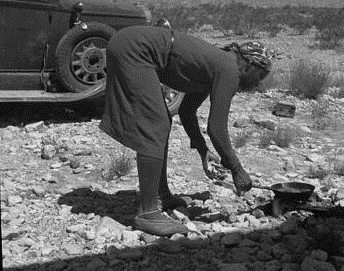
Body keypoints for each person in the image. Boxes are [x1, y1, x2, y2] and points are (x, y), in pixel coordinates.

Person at [99, 23, 273, 236]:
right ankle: (147, 212)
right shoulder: (229, 71)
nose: (257, 84)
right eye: (260, 76)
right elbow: (217, 128)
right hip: (134, 50)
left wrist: (202, 150)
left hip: (129, 43)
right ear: (249, 66)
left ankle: (161, 194)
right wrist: (237, 169)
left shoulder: (217, 66)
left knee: (163, 120)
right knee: (156, 124)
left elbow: (187, 111)